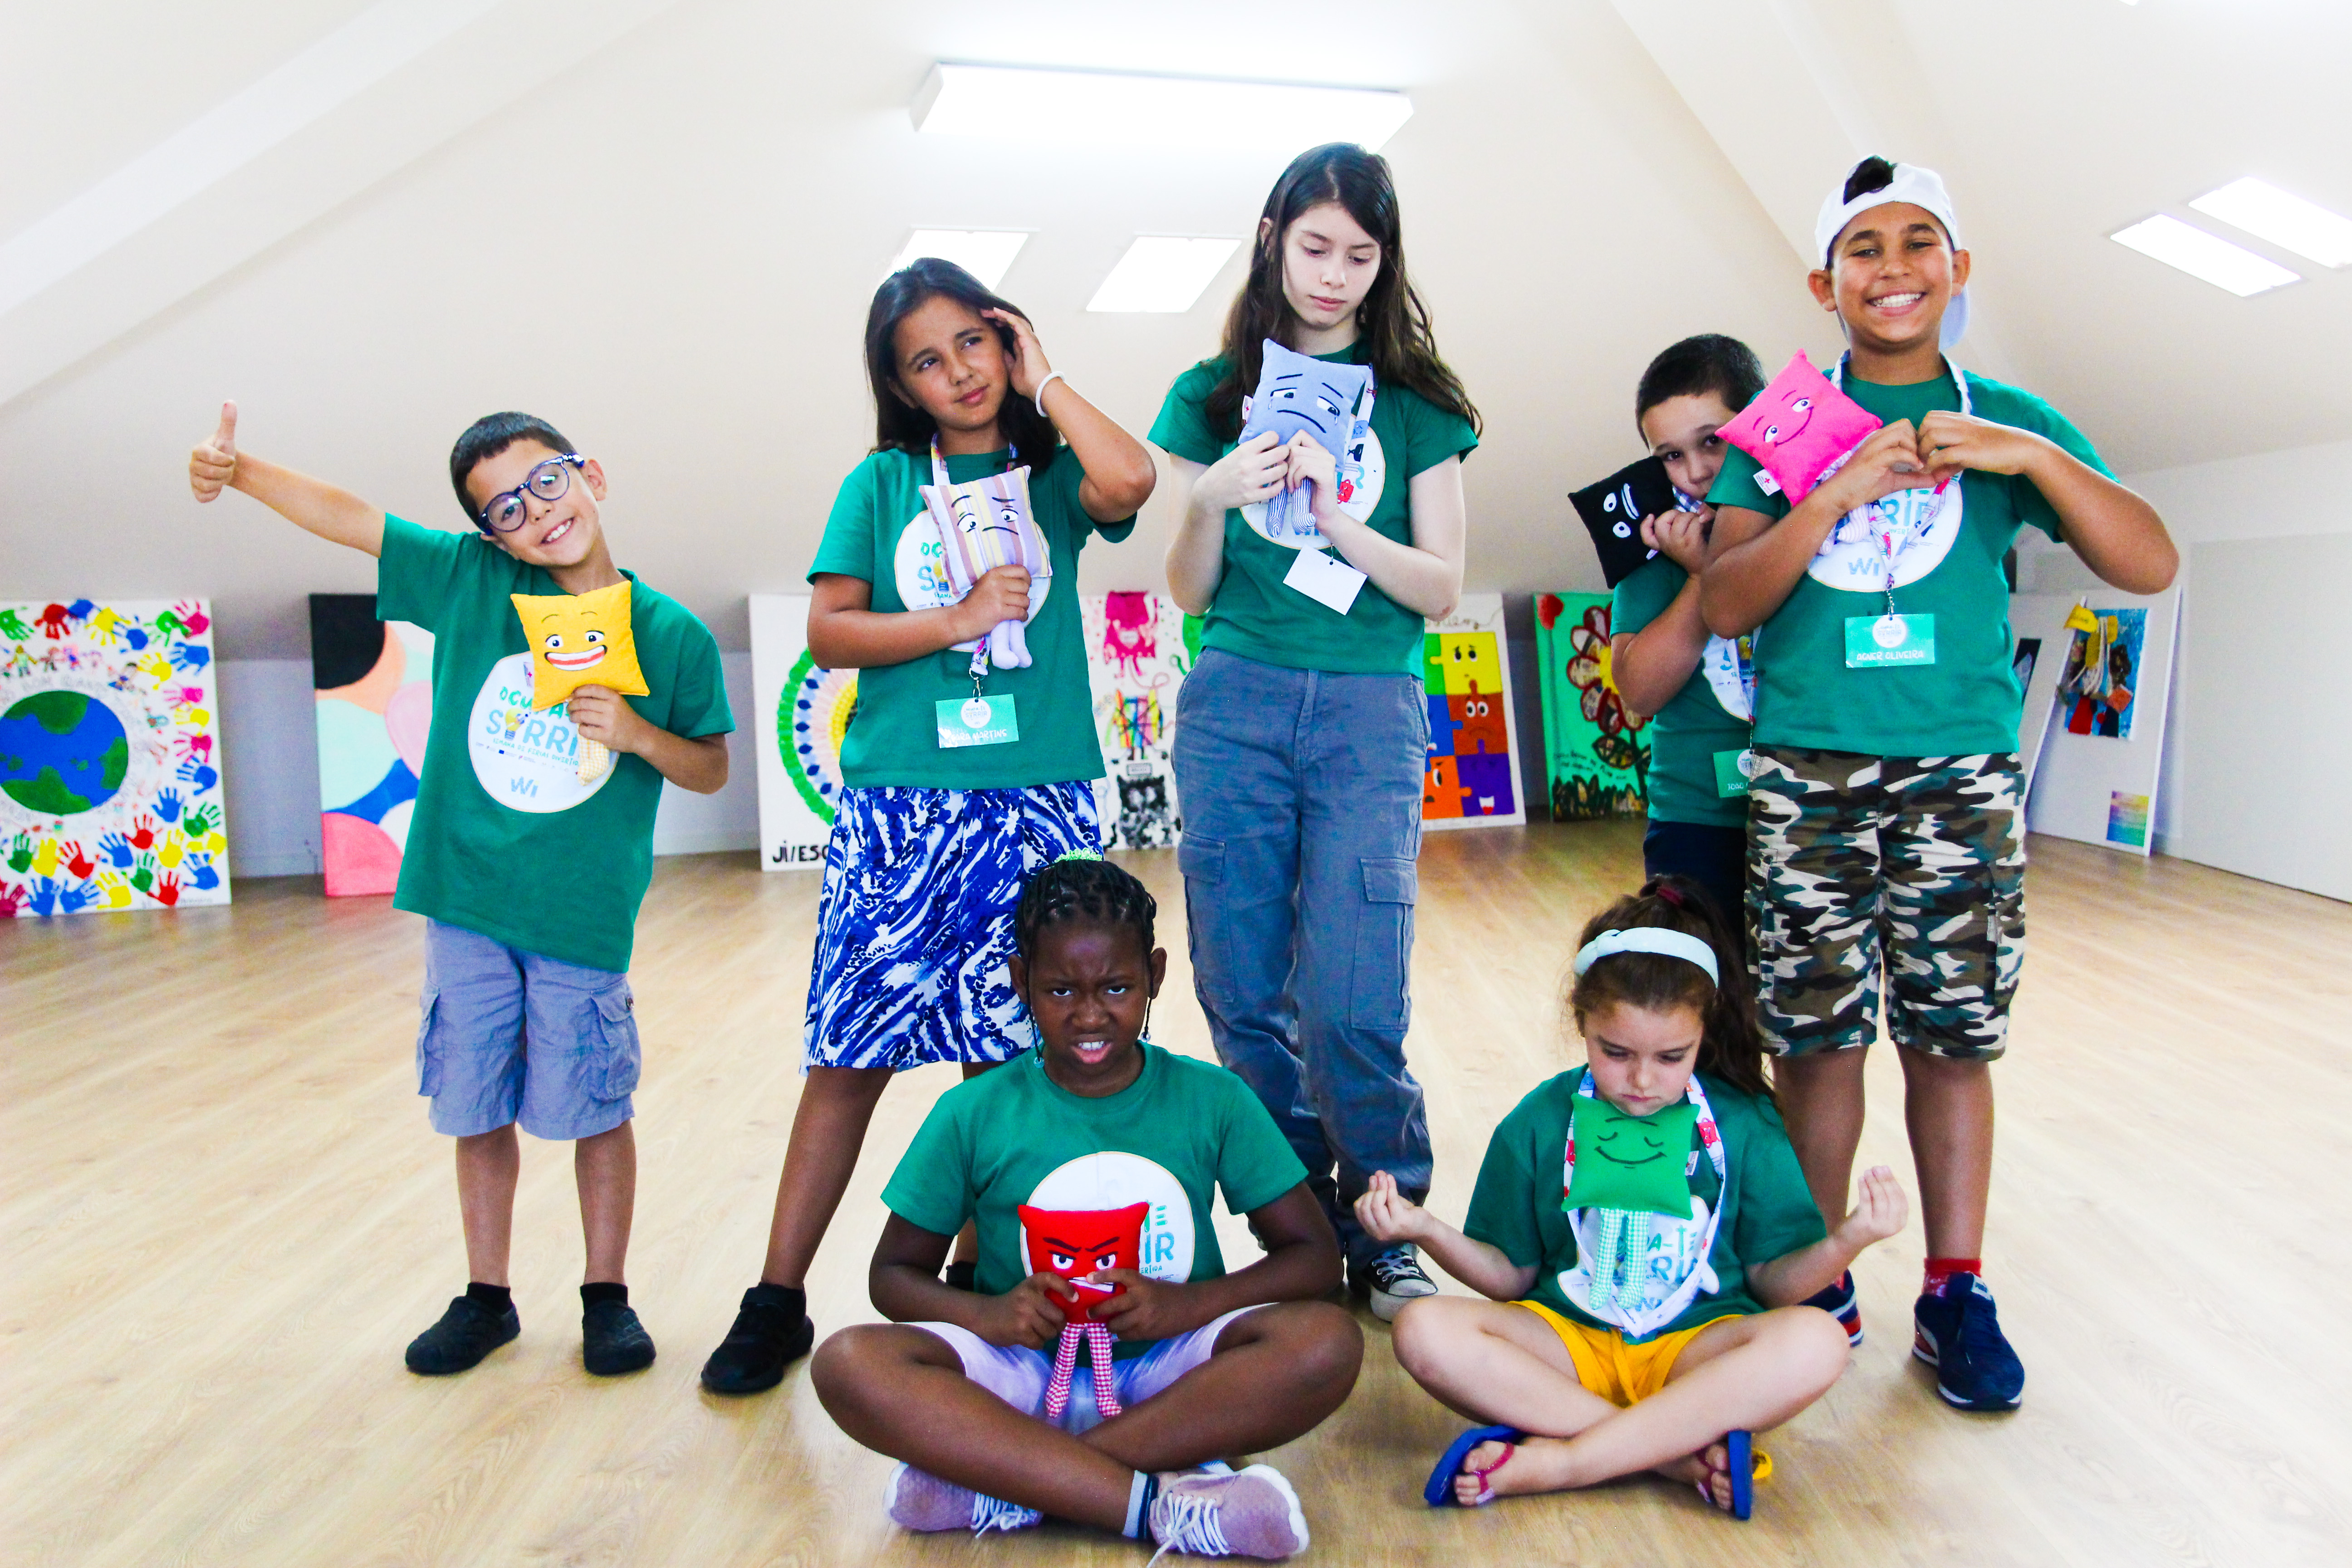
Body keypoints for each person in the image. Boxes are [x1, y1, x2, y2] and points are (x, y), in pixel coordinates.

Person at [1700, 157, 2178, 1409]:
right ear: (1824, 284)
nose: (1894, 267)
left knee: (1953, 1040)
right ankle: (1815, 1283)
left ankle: (1955, 1292)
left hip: (1960, 775)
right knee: (1816, 1041)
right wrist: (1832, 493)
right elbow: (1728, 600)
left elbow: (2149, 562)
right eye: (1864, 248)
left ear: (1959, 269)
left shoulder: (2010, 416)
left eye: (1920, 242)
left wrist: (2029, 456)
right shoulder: (1786, 422)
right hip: (1810, 771)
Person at [188, 404, 733, 1376]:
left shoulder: (672, 633)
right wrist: (241, 472)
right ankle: (488, 1298)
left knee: (597, 1107)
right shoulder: (475, 583)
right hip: (466, 900)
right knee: (474, 1106)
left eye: (548, 482)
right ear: (491, 536)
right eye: (505, 509)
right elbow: (354, 519)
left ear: (592, 475)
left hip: (582, 914)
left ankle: (606, 1298)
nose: (538, 512)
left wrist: (640, 735)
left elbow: (710, 768)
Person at [699, 260, 1156, 1394]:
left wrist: (1047, 378)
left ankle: (978, 1283)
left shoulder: (1053, 477)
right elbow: (832, 631)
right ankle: (776, 1299)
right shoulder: (883, 481)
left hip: (1040, 795)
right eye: (926, 361)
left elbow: (1133, 476)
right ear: (900, 387)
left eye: (974, 343)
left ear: (1007, 343)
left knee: (1008, 1056)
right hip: (901, 801)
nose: (958, 372)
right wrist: (955, 618)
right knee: (849, 1054)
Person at [1150, 142, 1480, 1320]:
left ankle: (1386, 1224)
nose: (1335, 275)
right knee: (1241, 989)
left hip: (1367, 711)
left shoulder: (1421, 402)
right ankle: (1300, 1228)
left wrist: (1340, 522)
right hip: (1234, 702)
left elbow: (1441, 587)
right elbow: (1189, 592)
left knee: (1353, 996)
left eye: (1361, 254)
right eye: (1315, 246)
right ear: (1271, 240)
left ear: (1386, 262)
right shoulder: (1211, 393)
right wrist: (1208, 498)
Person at [809, 857, 1362, 1558]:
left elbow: (1315, 1259)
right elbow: (892, 1277)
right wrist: (990, 1316)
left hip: (1175, 1377)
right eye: (1061, 990)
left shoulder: (1213, 1099)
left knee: (1328, 1342)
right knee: (847, 1361)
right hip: (1021, 1374)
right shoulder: (971, 1111)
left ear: (1155, 976)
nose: (1091, 1014)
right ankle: (1153, 1503)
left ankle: (1013, 1478)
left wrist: (1188, 1307)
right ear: (1021, 982)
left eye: (1117, 987)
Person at [1360, 878, 1906, 1518]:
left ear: (1704, 1033)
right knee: (1422, 1329)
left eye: (1672, 1057)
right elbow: (1509, 1277)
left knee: (1820, 1340)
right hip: (1568, 1345)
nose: (1643, 1081)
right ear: (1581, 1024)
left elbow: (1775, 1284)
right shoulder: (1540, 1120)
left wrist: (1851, 1238)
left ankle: (1566, 1459)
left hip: (1696, 1351)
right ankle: (1672, 1453)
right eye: (1615, 1052)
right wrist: (1424, 1229)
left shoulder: (1745, 1123)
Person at [1608, 334, 1769, 931]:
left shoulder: (1803, 523)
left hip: (1812, 802)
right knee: (1700, 979)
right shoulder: (1653, 545)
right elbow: (1640, 692)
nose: (1696, 471)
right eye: (1671, 455)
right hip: (1695, 813)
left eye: (1712, 441)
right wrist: (1702, 577)